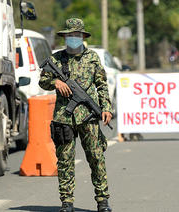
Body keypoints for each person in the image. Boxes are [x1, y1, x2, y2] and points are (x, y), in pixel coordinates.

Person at [39, 18, 113, 212]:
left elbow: (102, 85)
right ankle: (67, 202)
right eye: (70, 35)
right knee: (65, 161)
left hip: (89, 117)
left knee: (97, 159)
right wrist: (55, 82)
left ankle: (103, 200)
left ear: (82, 37)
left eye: (76, 35)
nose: (73, 38)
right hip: (64, 116)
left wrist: (106, 108)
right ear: (65, 37)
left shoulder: (93, 58)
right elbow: (43, 80)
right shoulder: (56, 59)